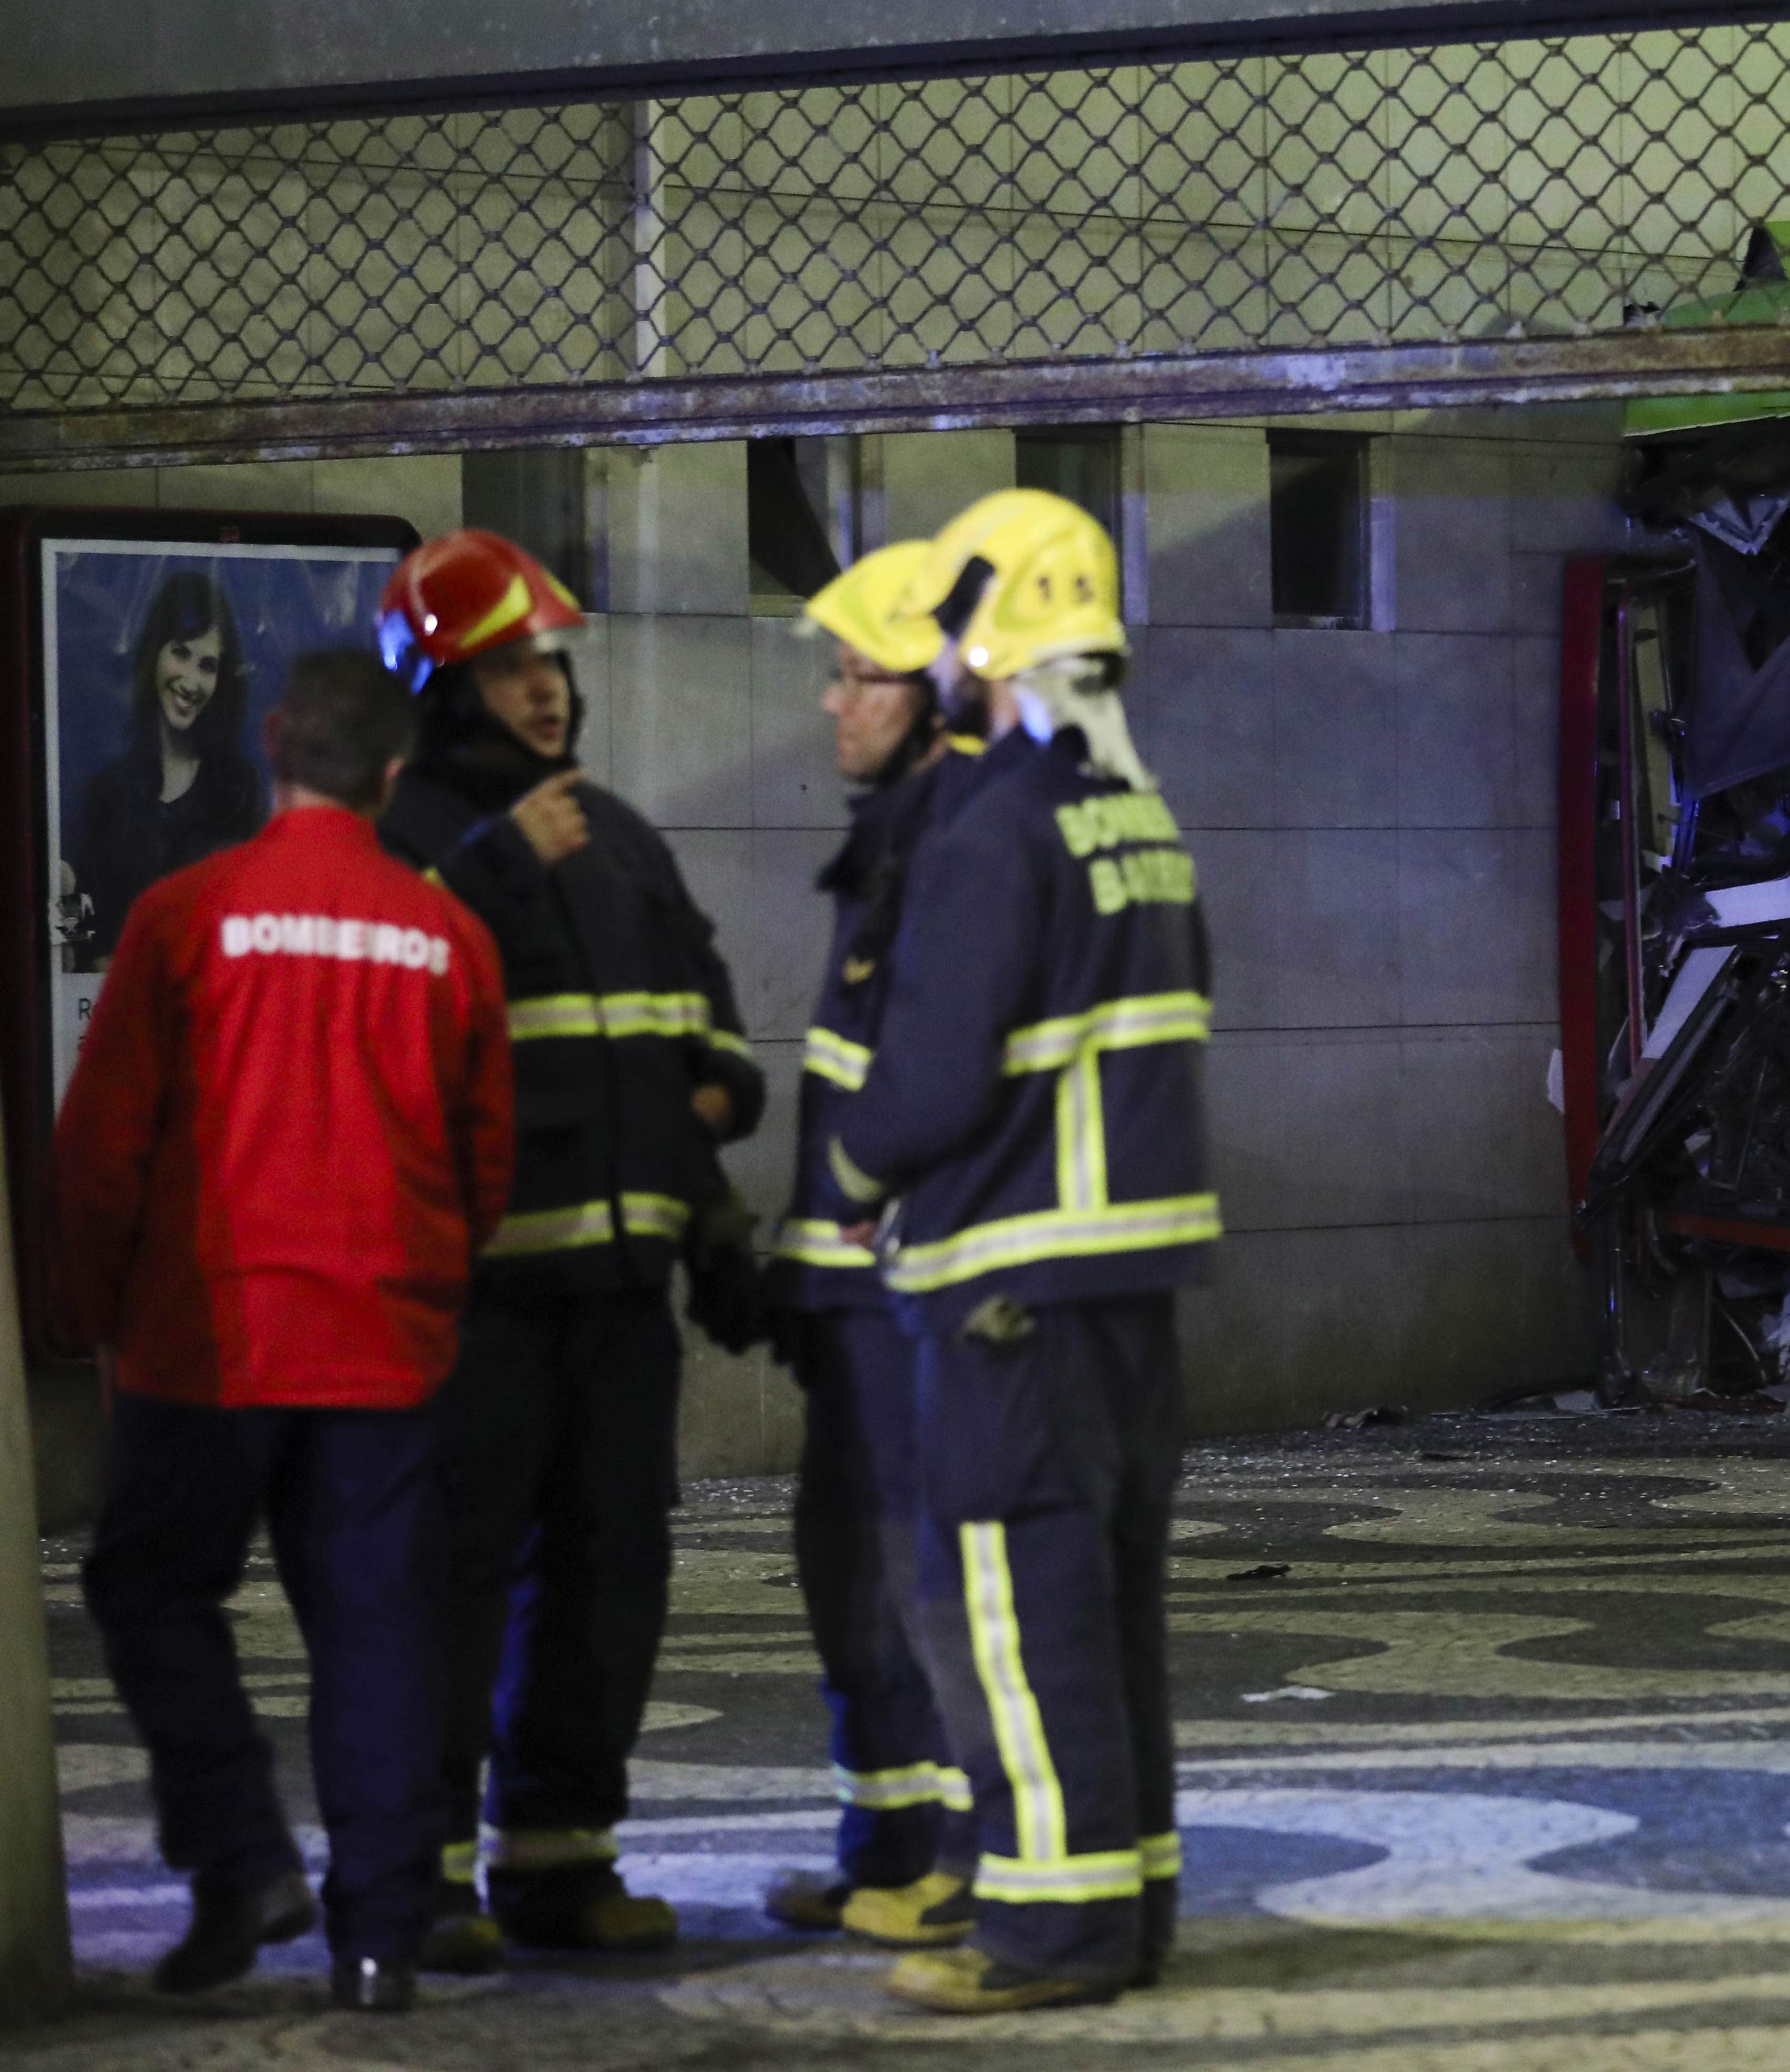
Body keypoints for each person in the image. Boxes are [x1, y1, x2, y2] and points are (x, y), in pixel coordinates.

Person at [57, 648, 513, 2014]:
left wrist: (96, 1311)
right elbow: (483, 1161)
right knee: (377, 1630)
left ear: (273, 744)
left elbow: (101, 1146)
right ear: (393, 773)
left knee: (150, 1589)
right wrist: (430, 1292)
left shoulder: (186, 910)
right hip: (381, 1349)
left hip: (210, 1342)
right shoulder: (448, 937)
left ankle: (241, 1854)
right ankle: (379, 1940)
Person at [822, 489, 1216, 2014]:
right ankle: (1132, 1902)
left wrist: (856, 1169)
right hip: (1129, 1288)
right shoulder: (1141, 807)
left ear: (981, 629)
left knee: (1017, 1610)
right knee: (1109, 1607)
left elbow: (929, 1068)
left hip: (1012, 1286)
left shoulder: (997, 824)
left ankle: (1054, 1930)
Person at [369, 529, 767, 1964]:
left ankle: (558, 1857)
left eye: (550, 661)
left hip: (618, 1296)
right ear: (441, 685)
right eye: (509, 666)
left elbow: (709, 1027)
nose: (544, 689)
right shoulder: (398, 843)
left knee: (611, 1574)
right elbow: (376, 1028)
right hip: (466, 1307)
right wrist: (483, 867)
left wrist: (708, 1135)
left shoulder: (620, 833)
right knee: (447, 1582)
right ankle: (411, 1874)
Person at [754, 539, 988, 1948]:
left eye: (862, 678)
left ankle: (962, 1849)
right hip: (854, 1288)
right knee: (853, 1571)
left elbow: (933, 1079)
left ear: (934, 689)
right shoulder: (893, 828)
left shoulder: (954, 832)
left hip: (915, 1285)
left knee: (927, 1576)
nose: (835, 705)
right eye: (834, 678)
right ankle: (883, 1842)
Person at [68, 568, 268, 966]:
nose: (191, 681)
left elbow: (254, 934)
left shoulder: (238, 793)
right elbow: (78, 933)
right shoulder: (107, 792)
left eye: (207, 665)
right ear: (155, 652)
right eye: (181, 652)